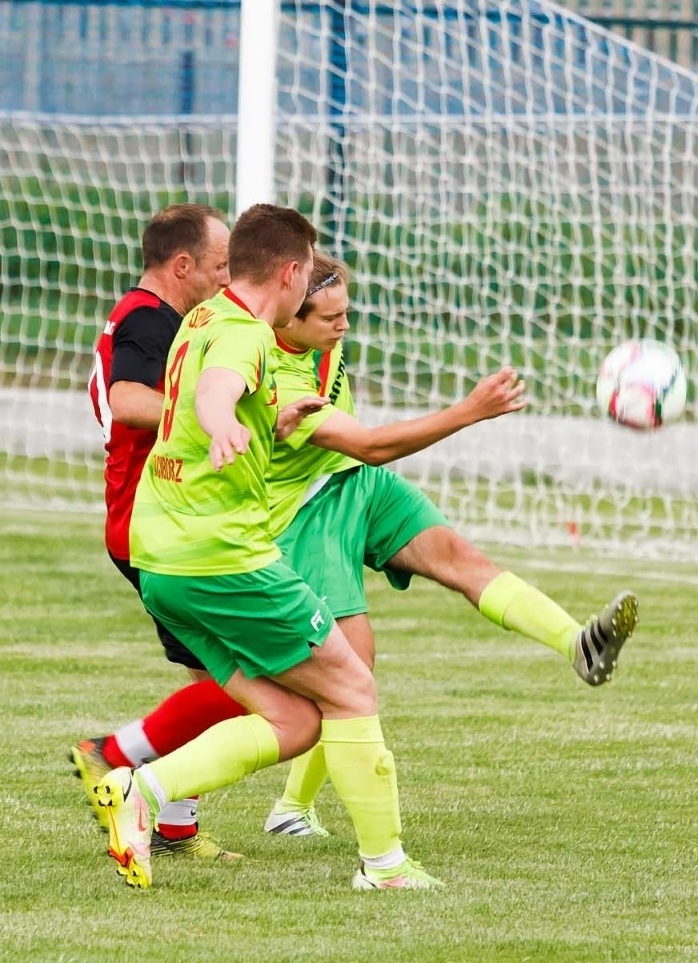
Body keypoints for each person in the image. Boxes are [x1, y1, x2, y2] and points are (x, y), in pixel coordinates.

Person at [77, 251, 638, 843]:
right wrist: (470, 411)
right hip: (307, 510)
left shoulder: (305, 321)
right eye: (329, 318)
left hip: (358, 486)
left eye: (348, 312)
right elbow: (369, 443)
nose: (343, 327)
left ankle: (575, 644)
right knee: (349, 672)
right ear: (288, 316)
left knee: (462, 560)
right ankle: (289, 809)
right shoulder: (265, 360)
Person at [94, 204, 440, 891]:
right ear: (289, 273)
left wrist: (268, 415)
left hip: (163, 560)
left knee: (292, 717)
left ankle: (140, 789)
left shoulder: (200, 317)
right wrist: (224, 421)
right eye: (307, 273)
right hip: (224, 558)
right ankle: (386, 867)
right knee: (351, 685)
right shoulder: (249, 335)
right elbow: (217, 389)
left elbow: (208, 384)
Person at [80, 202, 249, 860]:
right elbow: (126, 398)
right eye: (219, 266)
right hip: (148, 527)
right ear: (183, 266)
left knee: (217, 671)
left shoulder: (154, 317)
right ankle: (115, 760)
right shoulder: (149, 320)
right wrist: (208, 418)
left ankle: (171, 815)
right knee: (247, 675)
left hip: (157, 522)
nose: (225, 278)